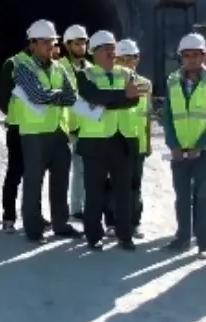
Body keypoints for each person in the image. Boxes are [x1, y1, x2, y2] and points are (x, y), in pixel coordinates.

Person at [11, 19, 81, 242]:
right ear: (32, 44)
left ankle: (61, 224)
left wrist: (51, 94)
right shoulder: (23, 68)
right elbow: (36, 96)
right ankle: (33, 229)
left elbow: (71, 97)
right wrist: (55, 94)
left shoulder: (60, 67)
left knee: (60, 180)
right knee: (33, 182)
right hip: (34, 134)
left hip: (58, 132)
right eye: (45, 42)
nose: (50, 46)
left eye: (52, 41)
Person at [74, 31, 144, 250]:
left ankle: (125, 235)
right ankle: (93, 235)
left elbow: (133, 101)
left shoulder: (126, 73)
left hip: (121, 141)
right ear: (94, 53)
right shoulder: (85, 75)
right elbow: (94, 96)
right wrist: (121, 97)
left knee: (123, 191)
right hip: (94, 142)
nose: (111, 54)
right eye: (106, 50)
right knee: (94, 191)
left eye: (113, 49)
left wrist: (111, 101)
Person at [161, 33, 206, 256]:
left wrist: (202, 144)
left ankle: (203, 242)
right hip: (180, 150)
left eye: (196, 55)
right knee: (182, 196)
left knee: (203, 196)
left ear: (204, 55)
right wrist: (173, 145)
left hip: (204, 151)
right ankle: (182, 237)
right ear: (181, 57)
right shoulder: (172, 81)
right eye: (186, 55)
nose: (191, 60)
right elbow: (168, 116)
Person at [114, 39, 151, 238]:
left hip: (137, 141)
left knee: (135, 185)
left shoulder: (145, 84)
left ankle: (134, 222)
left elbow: (147, 116)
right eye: (124, 58)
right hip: (116, 141)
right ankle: (112, 222)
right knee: (113, 184)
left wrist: (148, 143)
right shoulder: (110, 83)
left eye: (133, 58)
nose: (129, 62)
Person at [0, 43, 28, 233]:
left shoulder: (48, 65)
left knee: (34, 176)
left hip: (38, 130)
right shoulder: (13, 64)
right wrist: (13, 113)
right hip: (17, 128)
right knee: (15, 173)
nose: (51, 47)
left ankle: (33, 214)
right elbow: (1, 96)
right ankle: (9, 216)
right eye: (46, 42)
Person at [59, 24, 89, 219]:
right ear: (68, 45)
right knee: (60, 172)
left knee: (82, 170)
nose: (81, 47)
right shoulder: (58, 66)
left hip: (85, 126)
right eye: (77, 43)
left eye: (84, 43)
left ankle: (78, 209)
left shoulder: (92, 69)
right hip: (63, 126)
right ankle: (60, 211)